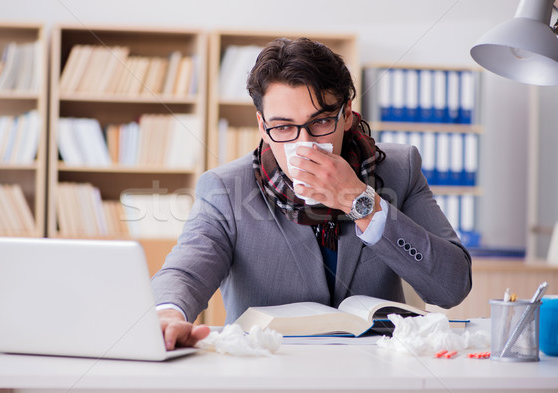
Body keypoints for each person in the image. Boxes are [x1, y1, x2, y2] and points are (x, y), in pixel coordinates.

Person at [151, 37, 472, 350]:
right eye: (284, 127)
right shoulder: (226, 188)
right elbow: (186, 271)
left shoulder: (399, 170)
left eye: (319, 122)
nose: (302, 143)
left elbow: (451, 288)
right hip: (267, 373)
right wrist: (167, 315)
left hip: (376, 372)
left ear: (346, 115)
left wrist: (361, 202)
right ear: (263, 127)